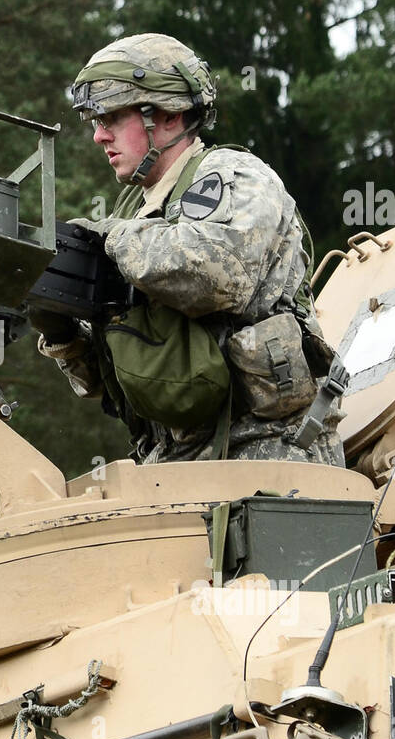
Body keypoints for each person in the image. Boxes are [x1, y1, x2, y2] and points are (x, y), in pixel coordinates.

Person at [30, 33, 347, 467]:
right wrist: (64, 332)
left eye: (110, 118)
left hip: (270, 454)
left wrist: (112, 238)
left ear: (167, 115)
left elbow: (220, 274)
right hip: (176, 462)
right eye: (95, 122)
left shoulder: (237, 176)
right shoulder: (135, 212)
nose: (98, 137)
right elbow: (128, 374)